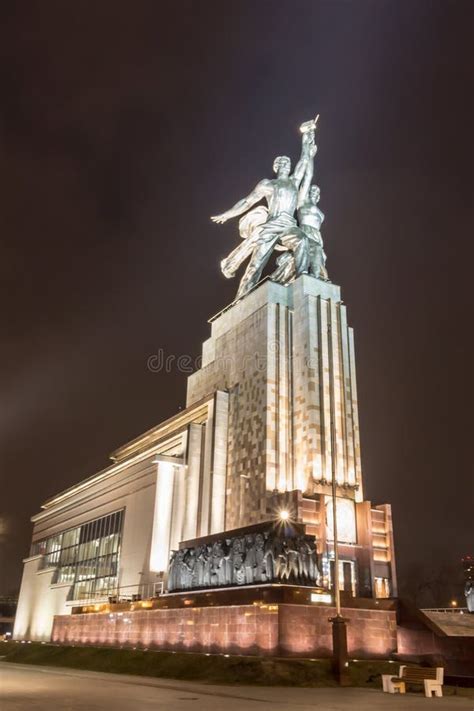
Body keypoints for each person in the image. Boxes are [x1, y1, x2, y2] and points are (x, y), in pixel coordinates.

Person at [212, 123, 317, 301]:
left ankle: (302, 276)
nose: (285, 164)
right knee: (256, 264)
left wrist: (307, 138)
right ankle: (241, 298)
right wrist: (227, 214)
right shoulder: (268, 184)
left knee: (303, 241)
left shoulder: (293, 181)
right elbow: (247, 201)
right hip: (271, 225)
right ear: (275, 167)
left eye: (287, 162)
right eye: (281, 163)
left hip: (288, 226)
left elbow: (305, 160)